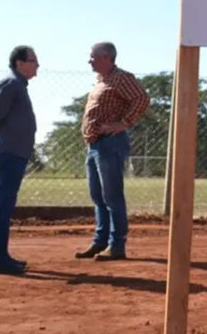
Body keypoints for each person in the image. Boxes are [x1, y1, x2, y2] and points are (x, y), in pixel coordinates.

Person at [75, 42, 149, 261]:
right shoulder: (102, 81)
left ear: (106, 57)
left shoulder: (121, 78)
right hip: (95, 145)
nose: (89, 60)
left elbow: (142, 98)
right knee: (98, 196)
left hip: (110, 143)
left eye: (92, 57)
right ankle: (100, 242)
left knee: (112, 196)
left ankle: (117, 245)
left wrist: (124, 122)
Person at [0, 45, 39, 274]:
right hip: (9, 152)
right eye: (33, 60)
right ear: (19, 63)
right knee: (2, 205)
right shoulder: (11, 84)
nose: (37, 65)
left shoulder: (18, 85)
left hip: (13, 152)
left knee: (4, 205)